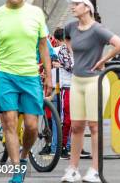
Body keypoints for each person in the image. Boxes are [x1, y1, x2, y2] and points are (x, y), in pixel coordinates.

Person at [0, 0, 53, 183]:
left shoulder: (35, 14)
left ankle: (23, 158)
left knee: (32, 126)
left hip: (30, 76)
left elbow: (43, 46)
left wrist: (49, 76)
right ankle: (16, 171)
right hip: (5, 76)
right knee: (10, 123)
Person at [60, 0, 120, 183]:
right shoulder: (70, 26)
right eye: (72, 4)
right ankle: (72, 169)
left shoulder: (98, 29)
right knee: (77, 126)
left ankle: (94, 170)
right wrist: (76, 57)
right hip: (77, 80)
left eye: (76, 4)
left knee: (94, 126)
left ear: (87, 7)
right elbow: (68, 40)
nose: (72, 7)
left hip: (95, 82)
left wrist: (102, 60)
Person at [53, 27, 75, 159]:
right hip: (67, 87)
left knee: (78, 120)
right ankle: (62, 147)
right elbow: (71, 67)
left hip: (80, 87)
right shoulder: (62, 51)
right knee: (67, 120)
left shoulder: (79, 50)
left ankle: (73, 146)